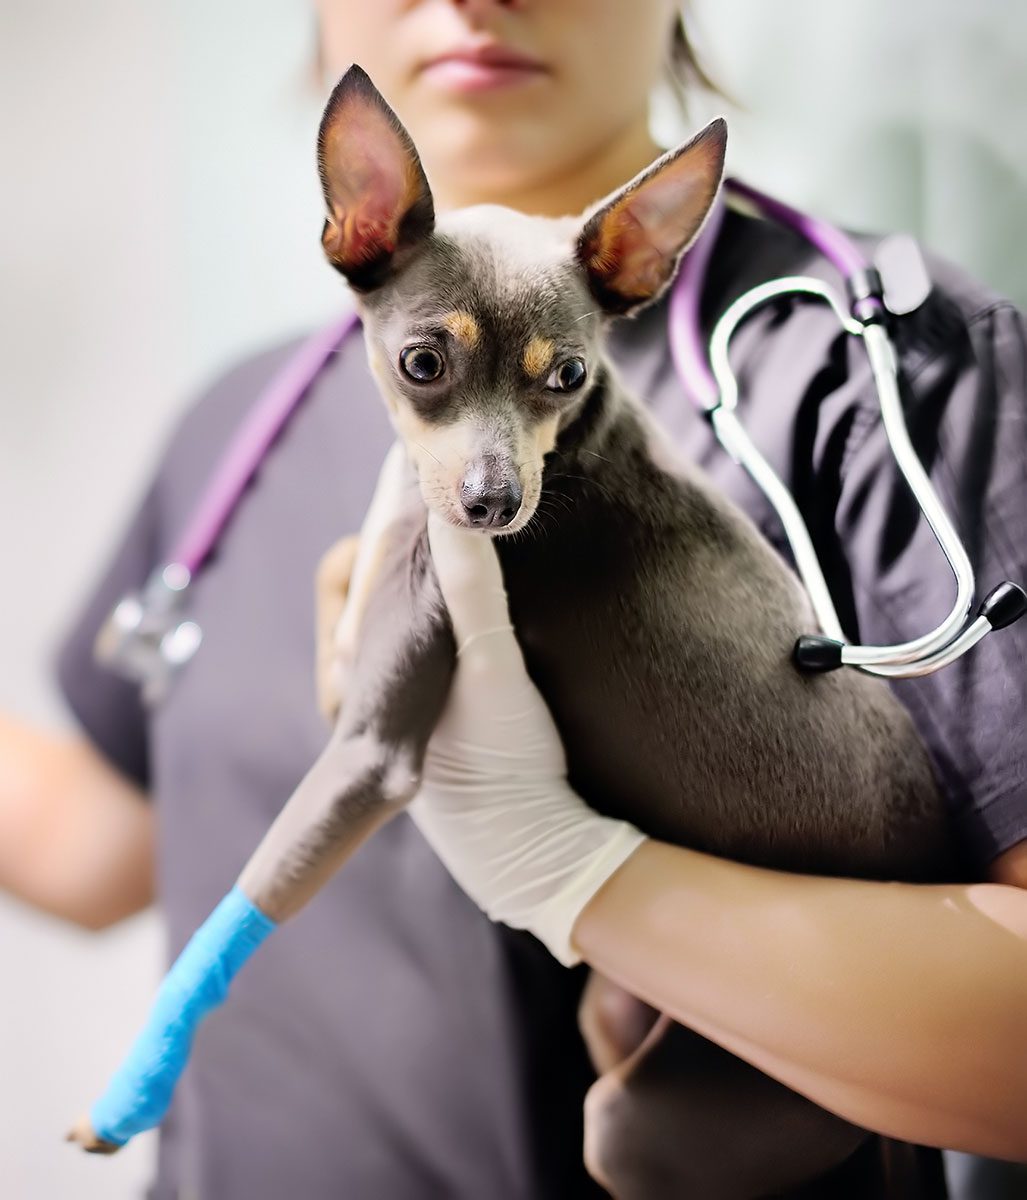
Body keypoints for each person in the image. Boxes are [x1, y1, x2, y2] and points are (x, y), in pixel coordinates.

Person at [3, 0, 1023, 1196]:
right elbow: (94, 847)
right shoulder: (237, 422)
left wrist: (571, 873)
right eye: (430, 368)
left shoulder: (885, 369)